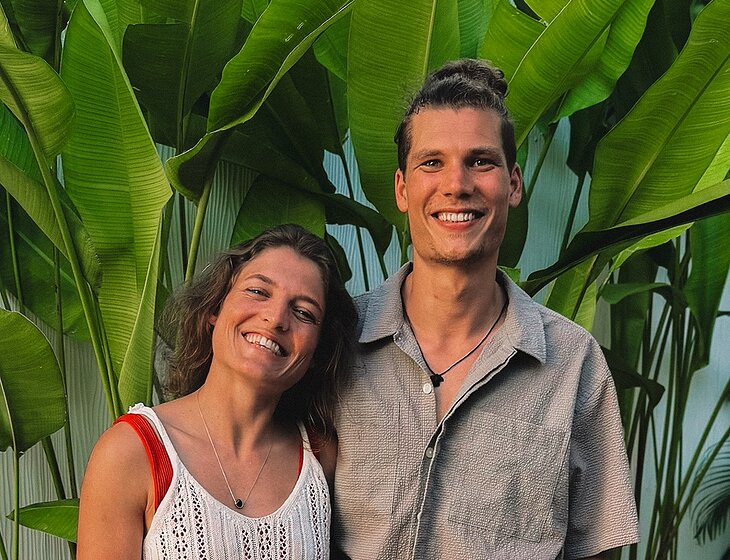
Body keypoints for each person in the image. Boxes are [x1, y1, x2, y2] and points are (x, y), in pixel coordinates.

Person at [331, 59, 639, 559]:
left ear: (513, 184)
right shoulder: (335, 340)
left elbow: (597, 549)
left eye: (480, 161)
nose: (457, 184)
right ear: (402, 189)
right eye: (432, 162)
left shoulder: (573, 362)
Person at [78, 224, 357, 559]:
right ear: (215, 308)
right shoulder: (132, 452)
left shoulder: (320, 457)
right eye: (258, 291)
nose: (275, 318)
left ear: (318, 351)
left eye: (303, 312)